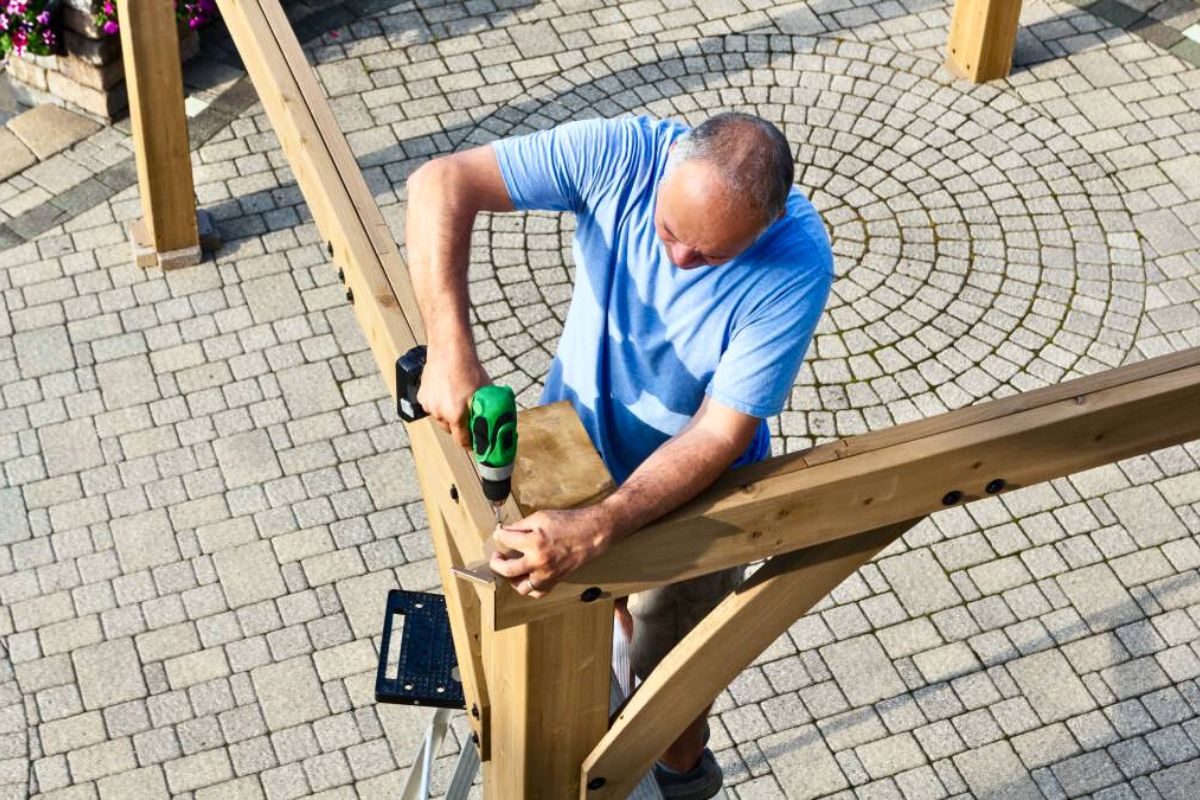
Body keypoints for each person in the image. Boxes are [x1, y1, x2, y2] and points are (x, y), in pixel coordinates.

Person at [406, 111, 833, 798]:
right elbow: (440, 182)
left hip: (701, 495)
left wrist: (600, 527)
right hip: (572, 451)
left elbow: (717, 434)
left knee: (672, 687)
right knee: (595, 627)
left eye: (712, 255)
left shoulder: (798, 261)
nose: (679, 261)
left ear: (768, 224)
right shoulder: (625, 154)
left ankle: (685, 776)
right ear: (668, 171)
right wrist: (451, 350)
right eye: (669, 231)